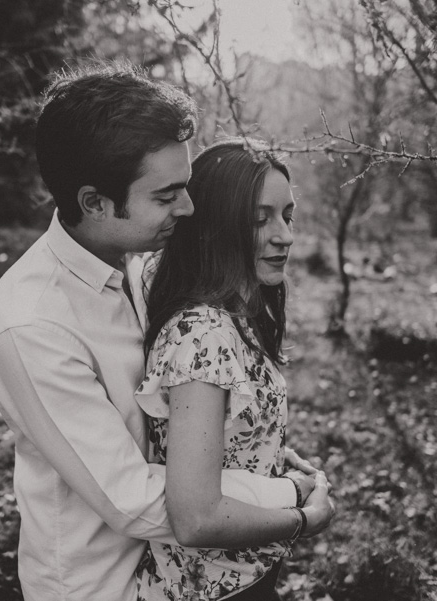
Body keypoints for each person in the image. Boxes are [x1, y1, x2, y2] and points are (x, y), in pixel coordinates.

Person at [0, 63, 328, 601]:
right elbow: (131, 497)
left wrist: (262, 451)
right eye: (166, 196)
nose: (188, 208)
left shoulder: (140, 262)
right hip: (103, 584)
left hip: (177, 570)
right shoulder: (31, 326)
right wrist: (286, 495)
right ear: (94, 202)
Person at [135, 138, 331, 601]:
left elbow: (215, 441)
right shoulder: (203, 335)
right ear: (215, 227)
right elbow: (196, 518)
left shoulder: (237, 316)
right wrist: (304, 519)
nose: (285, 236)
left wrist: (269, 453)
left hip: (248, 578)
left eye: (287, 216)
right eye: (260, 219)